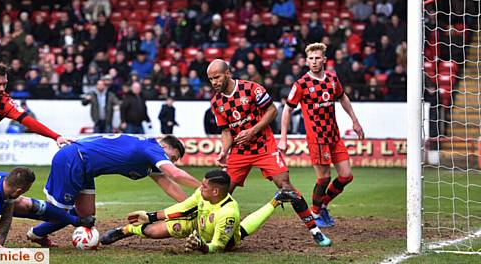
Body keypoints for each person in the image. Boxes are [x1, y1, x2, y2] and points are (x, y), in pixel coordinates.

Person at [206, 59, 331, 246]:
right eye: (210, 79)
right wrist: (224, 151)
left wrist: (253, 131)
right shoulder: (216, 102)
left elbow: (272, 111)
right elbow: (226, 131)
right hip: (240, 151)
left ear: (228, 73)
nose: (214, 82)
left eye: (216, 77)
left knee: (286, 186)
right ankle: (209, 233)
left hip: (265, 146)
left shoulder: (252, 89)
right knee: (221, 193)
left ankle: (315, 231)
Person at [27, 134, 201, 245]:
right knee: (58, 211)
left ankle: (37, 233)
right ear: (164, 147)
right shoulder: (152, 148)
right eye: (172, 157)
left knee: (86, 217)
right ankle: (20, 207)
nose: (171, 161)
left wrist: (191, 205)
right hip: (74, 158)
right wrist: (204, 188)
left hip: (86, 168)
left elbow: (169, 184)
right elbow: (175, 175)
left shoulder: (149, 159)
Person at [278, 43, 364, 228]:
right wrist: (283, 137)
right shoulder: (301, 84)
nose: (314, 61)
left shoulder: (332, 79)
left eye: (317, 58)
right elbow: (287, 109)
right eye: (311, 58)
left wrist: (355, 121)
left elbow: (343, 98)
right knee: (324, 178)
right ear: (306, 61)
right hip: (317, 139)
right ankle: (316, 213)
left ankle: (321, 205)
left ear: (324, 59)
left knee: (346, 176)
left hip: (334, 136)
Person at [100, 170, 286, 252]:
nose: (200, 188)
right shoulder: (203, 194)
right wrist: (150, 216)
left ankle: (275, 201)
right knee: (153, 230)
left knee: (238, 234)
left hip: (219, 238)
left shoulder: (228, 213)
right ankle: (125, 231)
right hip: (196, 224)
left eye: (204, 186)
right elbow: (184, 208)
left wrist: (202, 247)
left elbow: (218, 247)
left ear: (215, 191)